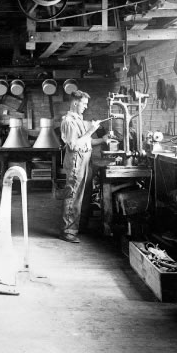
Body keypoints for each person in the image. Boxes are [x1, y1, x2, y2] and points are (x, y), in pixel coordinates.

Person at [59, 90, 111, 243]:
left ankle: (79, 226)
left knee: (84, 194)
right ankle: (67, 231)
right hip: (76, 159)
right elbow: (74, 145)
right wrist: (91, 130)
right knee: (73, 194)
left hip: (85, 159)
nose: (86, 107)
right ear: (75, 103)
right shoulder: (69, 121)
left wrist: (102, 139)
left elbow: (86, 141)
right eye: (84, 104)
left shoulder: (79, 119)